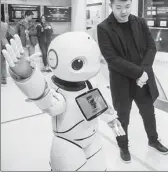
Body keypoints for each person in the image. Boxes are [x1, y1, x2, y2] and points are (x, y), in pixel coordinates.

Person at [2, 32, 125, 171]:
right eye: (79, 63)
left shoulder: (89, 83)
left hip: (93, 137)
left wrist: (111, 119)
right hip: (67, 142)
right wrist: (28, 75)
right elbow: (50, 103)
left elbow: (98, 102)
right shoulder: (57, 90)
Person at [97, 0, 168, 163]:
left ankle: (153, 140)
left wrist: (143, 73)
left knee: (148, 112)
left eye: (127, 6)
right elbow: (112, 59)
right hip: (121, 81)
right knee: (121, 117)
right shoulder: (103, 28)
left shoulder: (140, 22)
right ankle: (123, 146)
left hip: (142, 81)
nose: (124, 11)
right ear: (111, 5)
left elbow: (151, 47)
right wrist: (139, 72)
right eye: (119, 7)